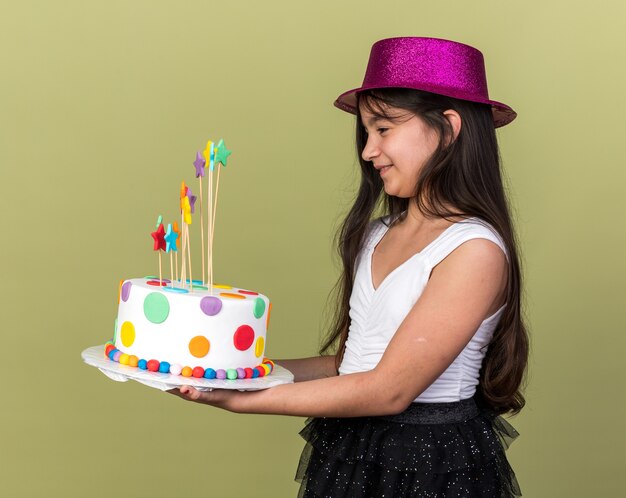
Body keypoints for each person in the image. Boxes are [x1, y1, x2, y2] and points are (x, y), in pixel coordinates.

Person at [170, 37, 528, 497]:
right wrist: (233, 372)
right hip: (357, 445)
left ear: (448, 128)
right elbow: (353, 364)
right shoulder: (379, 233)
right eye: (366, 132)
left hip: (430, 465)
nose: (367, 151)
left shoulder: (473, 249)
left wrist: (242, 402)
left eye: (383, 129)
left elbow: (387, 390)